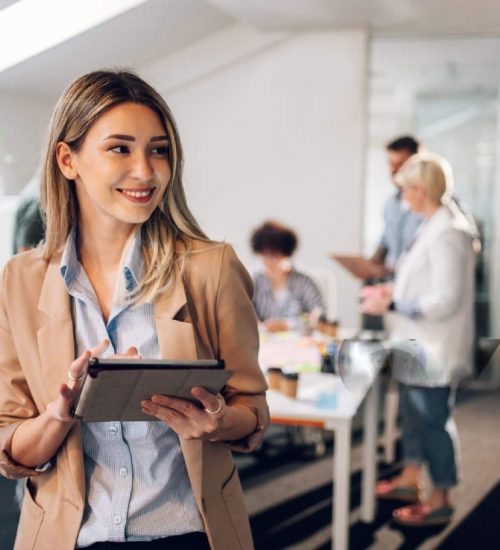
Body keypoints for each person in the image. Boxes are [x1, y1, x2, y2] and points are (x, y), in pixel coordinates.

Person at [0, 70, 269, 550]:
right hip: (67, 538)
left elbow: (252, 408)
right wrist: (61, 413)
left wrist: (219, 420)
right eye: (120, 148)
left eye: (158, 149)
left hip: (187, 533)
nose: (145, 171)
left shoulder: (211, 268)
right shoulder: (20, 280)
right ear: (68, 159)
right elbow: (10, 443)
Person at [361, 153, 475, 526]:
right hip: (417, 343)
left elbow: (445, 299)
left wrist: (393, 300)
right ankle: (412, 480)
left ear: (420, 189)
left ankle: (441, 498)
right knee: (413, 417)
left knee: (432, 421)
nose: (402, 197)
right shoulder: (430, 225)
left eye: (405, 189)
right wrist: (391, 293)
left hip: (435, 347)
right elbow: (421, 283)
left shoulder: (449, 231)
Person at [250, 220, 325, 332]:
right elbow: (245, 313)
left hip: (298, 344)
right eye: (265, 255)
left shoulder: (304, 282)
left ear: (286, 254)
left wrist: (288, 325)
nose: (269, 261)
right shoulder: (254, 282)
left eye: (275, 255)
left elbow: (320, 315)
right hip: (263, 344)